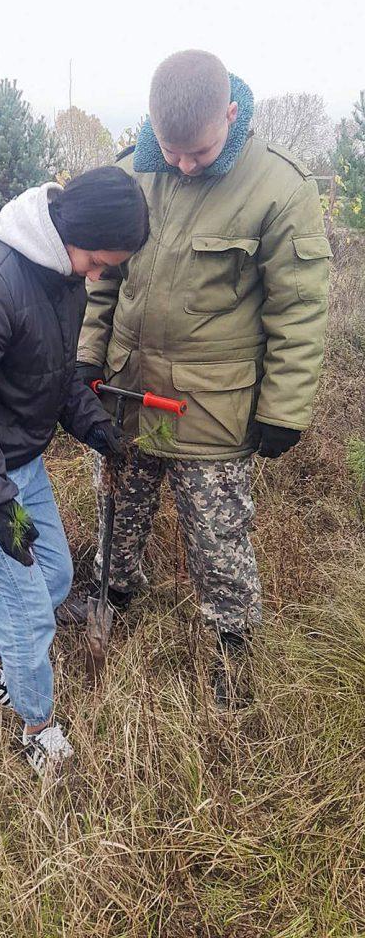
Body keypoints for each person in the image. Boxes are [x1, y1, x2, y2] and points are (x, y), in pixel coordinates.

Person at [77, 50, 331, 708]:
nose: (184, 164)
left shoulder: (279, 188)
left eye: (199, 150)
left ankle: (234, 645)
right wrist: (86, 357)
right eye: (172, 149)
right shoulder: (134, 169)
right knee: (116, 507)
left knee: (217, 534)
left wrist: (285, 408)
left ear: (232, 113)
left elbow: (298, 309)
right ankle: (111, 592)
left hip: (209, 409)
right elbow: (105, 278)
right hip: (126, 393)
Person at [0, 167, 149, 776]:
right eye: (98, 261)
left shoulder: (63, 278)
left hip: (20, 462)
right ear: (73, 231)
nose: (98, 275)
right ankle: (38, 729)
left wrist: (97, 426)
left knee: (56, 578)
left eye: (107, 268)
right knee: (28, 612)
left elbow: (55, 374)